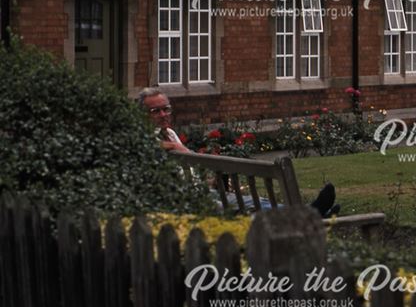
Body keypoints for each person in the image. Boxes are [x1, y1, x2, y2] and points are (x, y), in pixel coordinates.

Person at [138, 88, 339, 217]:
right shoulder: (144, 138)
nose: (163, 115)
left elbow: (187, 171)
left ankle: (311, 213)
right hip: (186, 201)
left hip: (202, 192)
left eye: (166, 109)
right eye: (156, 111)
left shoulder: (170, 134)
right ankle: (310, 215)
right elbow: (145, 146)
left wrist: (210, 182)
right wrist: (176, 148)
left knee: (261, 201)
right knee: (249, 205)